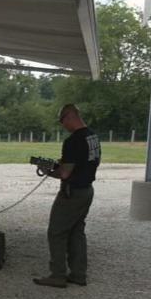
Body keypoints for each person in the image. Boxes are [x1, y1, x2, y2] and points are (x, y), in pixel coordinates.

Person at [33, 104, 101, 289]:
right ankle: (79, 274)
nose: (63, 125)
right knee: (76, 232)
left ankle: (57, 275)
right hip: (86, 189)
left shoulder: (73, 141)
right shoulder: (92, 136)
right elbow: (81, 162)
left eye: (63, 121)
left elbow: (65, 173)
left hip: (72, 193)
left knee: (56, 232)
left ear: (70, 117)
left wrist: (48, 171)